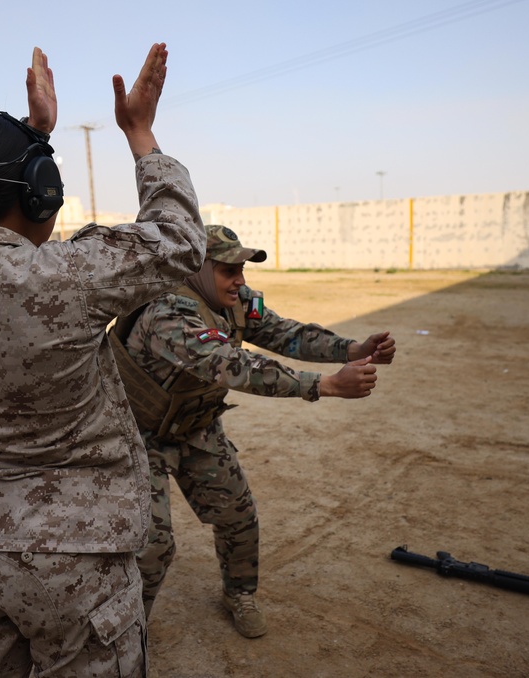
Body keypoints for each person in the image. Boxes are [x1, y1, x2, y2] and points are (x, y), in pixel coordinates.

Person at [0, 44, 205, 677]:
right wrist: (140, 134)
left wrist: (31, 137)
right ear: (40, 194)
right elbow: (179, 242)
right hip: (74, 557)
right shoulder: (67, 278)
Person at [108, 225, 396, 638]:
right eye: (229, 270)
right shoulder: (167, 313)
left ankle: (239, 593)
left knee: (238, 515)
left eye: (241, 269)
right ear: (197, 268)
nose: (240, 280)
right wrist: (325, 384)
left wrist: (350, 349)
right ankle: (126, 634)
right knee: (152, 546)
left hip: (194, 426)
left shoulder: (235, 302)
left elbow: (283, 332)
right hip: (137, 437)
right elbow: (232, 367)